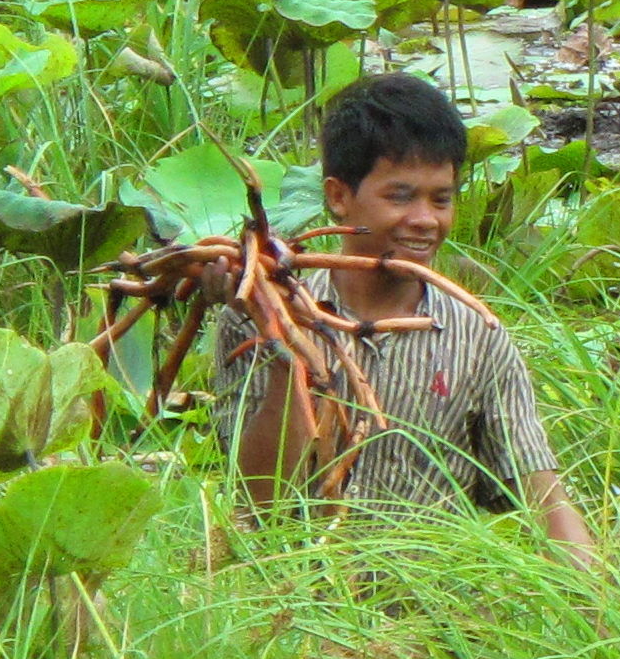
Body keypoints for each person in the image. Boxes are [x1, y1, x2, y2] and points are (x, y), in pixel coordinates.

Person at [211, 73, 595, 558]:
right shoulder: (254, 322)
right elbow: (258, 506)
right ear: (337, 196)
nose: (425, 219)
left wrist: (604, 602)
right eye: (400, 196)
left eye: (442, 198)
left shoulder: (478, 335)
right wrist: (287, 349)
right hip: (292, 608)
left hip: (430, 619)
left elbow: (541, 491)